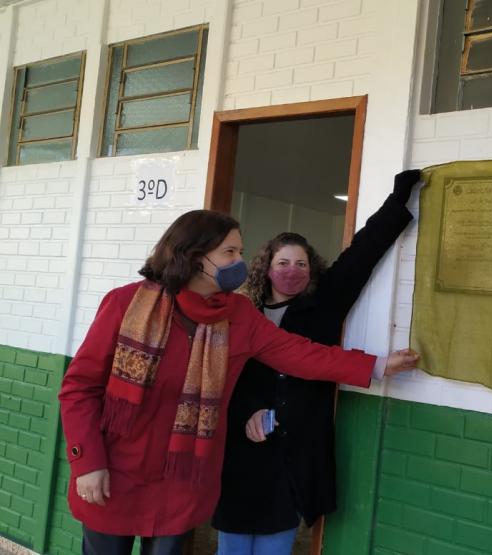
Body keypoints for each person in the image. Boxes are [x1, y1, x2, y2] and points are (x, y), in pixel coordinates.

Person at [58, 208, 419, 555]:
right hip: (114, 471)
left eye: (240, 252)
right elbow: (79, 388)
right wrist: (86, 462)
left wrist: (377, 364)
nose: (239, 262)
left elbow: (300, 353)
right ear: (195, 256)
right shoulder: (126, 304)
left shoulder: (238, 315)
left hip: (182, 478)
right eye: (229, 252)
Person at [212, 170, 420, 554]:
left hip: (291, 452)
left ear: (312, 271)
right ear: (266, 267)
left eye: (302, 264)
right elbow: (225, 377)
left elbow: (363, 253)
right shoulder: (242, 313)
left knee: (275, 545)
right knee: (233, 546)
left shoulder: (322, 306)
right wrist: (248, 413)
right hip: (242, 449)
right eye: (283, 262)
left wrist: (397, 201)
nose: (292, 270)